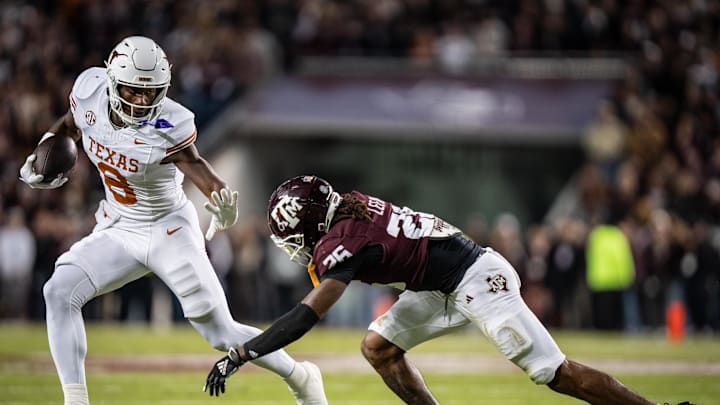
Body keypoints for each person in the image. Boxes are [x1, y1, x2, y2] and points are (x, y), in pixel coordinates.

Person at [19, 37, 327, 405]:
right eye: (134, 92)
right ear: (114, 82)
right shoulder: (89, 90)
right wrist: (43, 149)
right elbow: (70, 124)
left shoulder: (170, 124)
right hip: (120, 226)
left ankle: (301, 376)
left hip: (169, 228)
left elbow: (198, 167)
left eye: (151, 93)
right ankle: (76, 401)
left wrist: (223, 201)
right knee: (58, 290)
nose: (142, 102)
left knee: (220, 332)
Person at [203, 175, 693, 405]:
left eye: (292, 235)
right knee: (378, 345)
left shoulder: (342, 240)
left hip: (476, 279)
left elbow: (308, 314)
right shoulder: (349, 205)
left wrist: (244, 352)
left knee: (554, 373)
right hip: (437, 284)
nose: (294, 247)